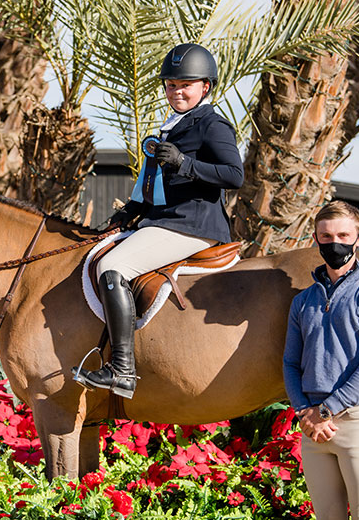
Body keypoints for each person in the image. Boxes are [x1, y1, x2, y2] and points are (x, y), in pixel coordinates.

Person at [73, 43, 244, 399]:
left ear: (205, 87)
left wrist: (186, 164)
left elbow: (234, 175)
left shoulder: (212, 125)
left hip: (193, 226)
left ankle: (121, 370)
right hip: (161, 221)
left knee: (112, 266)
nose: (177, 91)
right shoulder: (170, 128)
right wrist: (130, 212)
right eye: (171, 85)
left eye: (185, 85)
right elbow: (156, 185)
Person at [283, 201, 359, 520]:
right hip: (313, 428)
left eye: (343, 235)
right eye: (326, 235)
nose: (334, 242)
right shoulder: (303, 300)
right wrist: (305, 411)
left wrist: (326, 410)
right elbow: (291, 363)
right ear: (316, 238)